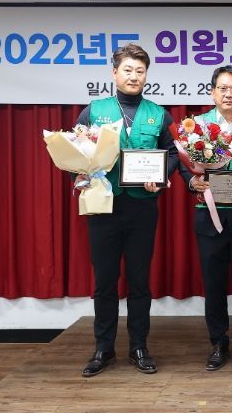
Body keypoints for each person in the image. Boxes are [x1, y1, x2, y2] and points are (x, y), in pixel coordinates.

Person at [74, 43, 179, 377]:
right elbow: (76, 151)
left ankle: (139, 347)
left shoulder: (159, 114)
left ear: (147, 75)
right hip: (103, 206)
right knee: (105, 282)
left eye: (140, 71)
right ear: (114, 72)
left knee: (139, 281)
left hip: (142, 208)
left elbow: (174, 153)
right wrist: (80, 172)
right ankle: (103, 348)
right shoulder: (94, 111)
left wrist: (161, 177)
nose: (134, 76)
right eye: (128, 70)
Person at [180, 65, 232, 371]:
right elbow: (182, 164)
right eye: (223, 88)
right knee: (213, 284)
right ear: (212, 92)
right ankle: (218, 342)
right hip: (209, 217)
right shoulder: (196, 126)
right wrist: (192, 181)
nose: (229, 94)